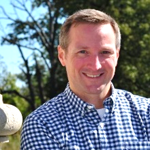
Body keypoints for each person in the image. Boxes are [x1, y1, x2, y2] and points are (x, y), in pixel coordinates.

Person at [20, 9, 150, 150]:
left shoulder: (146, 113)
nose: (95, 65)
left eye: (105, 52)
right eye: (83, 52)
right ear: (62, 56)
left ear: (117, 56)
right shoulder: (42, 125)